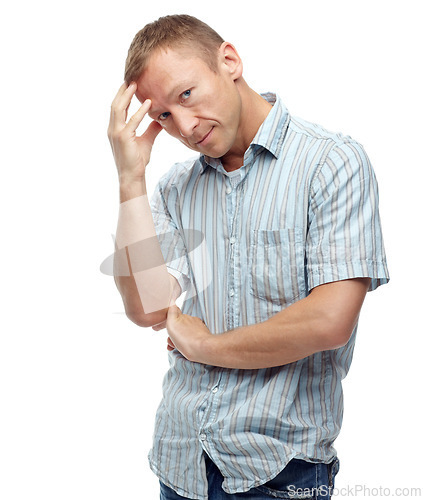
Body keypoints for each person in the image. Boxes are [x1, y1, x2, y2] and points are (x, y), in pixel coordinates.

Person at [107, 14, 389, 500]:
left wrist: (204, 345)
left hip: (280, 470)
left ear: (229, 61)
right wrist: (131, 179)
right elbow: (149, 309)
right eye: (164, 116)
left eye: (187, 94)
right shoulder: (177, 188)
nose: (185, 126)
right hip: (182, 464)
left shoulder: (330, 163)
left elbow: (329, 320)